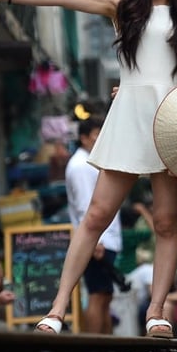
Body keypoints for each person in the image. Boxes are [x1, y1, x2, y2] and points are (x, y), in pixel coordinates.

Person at [0, 0, 177, 337]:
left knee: (167, 223)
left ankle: (157, 311)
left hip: (173, 120)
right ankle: (56, 311)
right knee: (96, 215)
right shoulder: (124, 4)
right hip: (130, 116)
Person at [65, 115, 123, 334]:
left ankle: (108, 348)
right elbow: (83, 206)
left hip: (106, 239)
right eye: (96, 135)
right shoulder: (79, 166)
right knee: (98, 295)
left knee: (105, 296)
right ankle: (95, 347)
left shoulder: (92, 161)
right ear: (83, 138)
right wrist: (95, 241)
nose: (101, 139)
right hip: (97, 241)